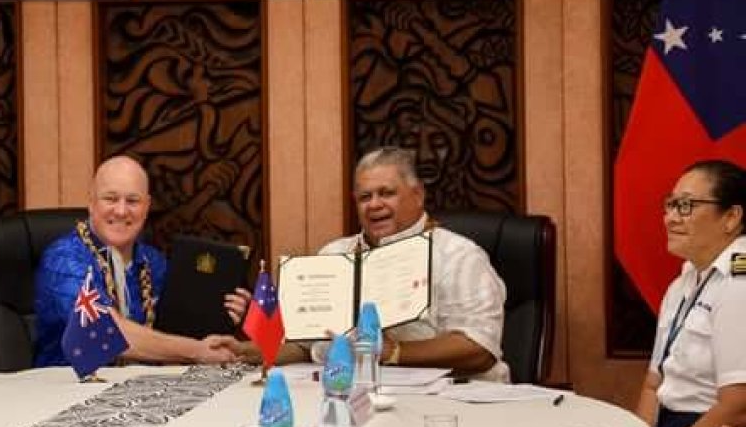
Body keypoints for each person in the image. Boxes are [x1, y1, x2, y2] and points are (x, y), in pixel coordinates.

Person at [278, 146, 508, 380]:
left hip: (455, 399)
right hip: (353, 393)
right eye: (364, 197)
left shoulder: (458, 256)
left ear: (418, 195)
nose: (374, 205)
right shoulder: (335, 255)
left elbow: (480, 349)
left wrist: (394, 352)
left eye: (386, 193)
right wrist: (248, 351)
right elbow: (304, 345)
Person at [34, 155, 251, 367]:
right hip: (65, 392)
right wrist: (197, 351)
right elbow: (106, 333)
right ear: (91, 203)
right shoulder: (63, 259)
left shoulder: (153, 261)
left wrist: (223, 314)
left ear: (147, 207)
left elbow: (177, 330)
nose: (121, 210)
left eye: (133, 201)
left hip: (140, 389)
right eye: (110, 198)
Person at [632, 160, 746, 427]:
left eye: (685, 206)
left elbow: (738, 407)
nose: (670, 218)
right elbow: (654, 384)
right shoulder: (683, 283)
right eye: (669, 205)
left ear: (731, 217)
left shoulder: (740, 282)